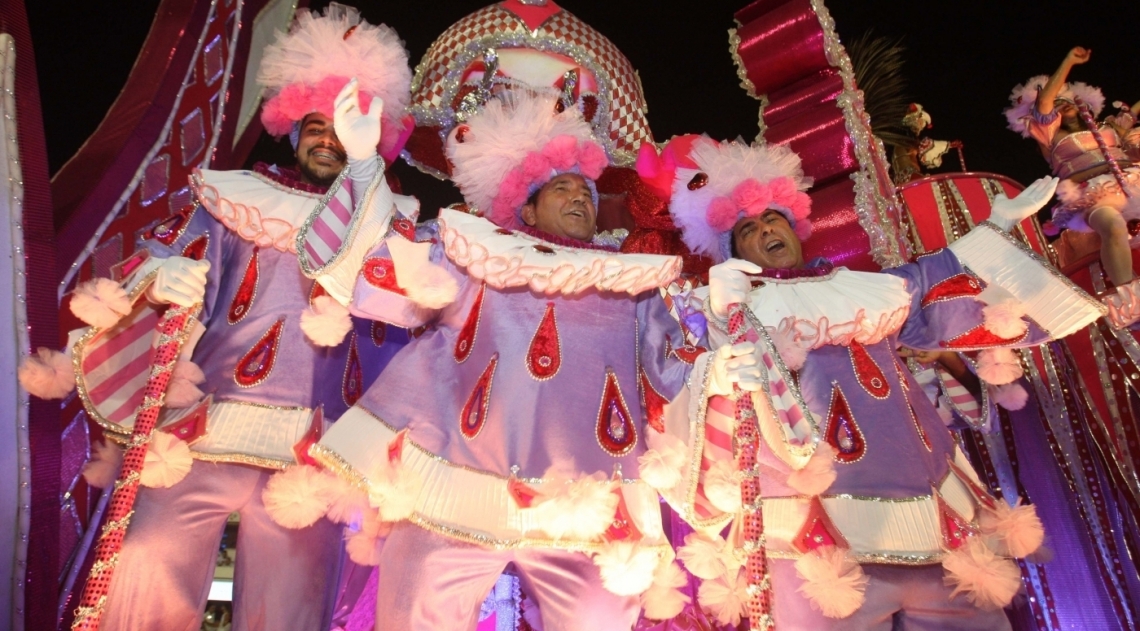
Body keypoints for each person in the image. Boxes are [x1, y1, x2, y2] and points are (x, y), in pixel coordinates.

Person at [296, 91, 759, 630]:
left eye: (586, 190)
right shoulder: (476, 253)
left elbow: (674, 373)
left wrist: (716, 374)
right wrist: (361, 163)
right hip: (453, 485)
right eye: (561, 188)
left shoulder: (637, 284)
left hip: (590, 505)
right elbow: (383, 264)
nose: (579, 197)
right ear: (528, 207)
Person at [636, 135, 1105, 629]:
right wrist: (717, 311)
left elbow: (934, 276)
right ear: (730, 250)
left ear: (796, 225)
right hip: (814, 542)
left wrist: (996, 227)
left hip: (934, 517)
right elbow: (687, 374)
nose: (766, 228)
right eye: (748, 227)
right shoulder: (723, 305)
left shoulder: (862, 287)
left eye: (774, 217)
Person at [62, 6, 413, 629]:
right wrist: (155, 281)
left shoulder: (389, 219)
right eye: (314, 124)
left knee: (291, 613)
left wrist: (364, 173)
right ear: (290, 128)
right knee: (141, 571)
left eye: (345, 126)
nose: (327, 137)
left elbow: (395, 291)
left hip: (313, 456)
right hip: (205, 433)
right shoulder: (234, 198)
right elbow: (162, 258)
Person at [1005, 46, 1140, 326]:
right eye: (1057, 101)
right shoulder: (1049, 137)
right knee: (1112, 226)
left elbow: (1132, 115)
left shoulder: (1107, 127)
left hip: (1133, 180)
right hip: (1093, 193)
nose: (1061, 103)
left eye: (1068, 99)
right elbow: (1043, 106)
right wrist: (1068, 61)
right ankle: (1132, 303)